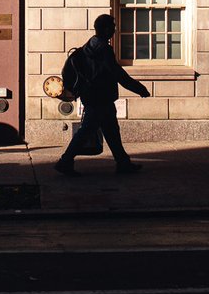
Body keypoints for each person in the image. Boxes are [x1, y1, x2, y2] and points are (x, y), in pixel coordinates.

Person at [55, 13, 149, 177]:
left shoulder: (88, 46)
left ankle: (123, 163)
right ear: (106, 29)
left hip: (93, 96)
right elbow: (117, 73)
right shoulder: (103, 50)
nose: (114, 30)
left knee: (111, 130)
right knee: (87, 131)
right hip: (100, 98)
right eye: (112, 26)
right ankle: (65, 161)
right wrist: (139, 88)